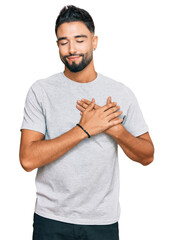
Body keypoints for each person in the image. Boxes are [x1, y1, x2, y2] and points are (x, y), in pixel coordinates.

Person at [19, 5, 154, 240]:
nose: (71, 49)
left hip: (102, 221)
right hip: (51, 220)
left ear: (94, 41)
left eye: (80, 40)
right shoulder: (41, 91)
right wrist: (84, 129)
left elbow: (147, 156)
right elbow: (28, 159)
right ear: (58, 45)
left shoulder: (120, 93)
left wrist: (116, 129)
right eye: (64, 42)